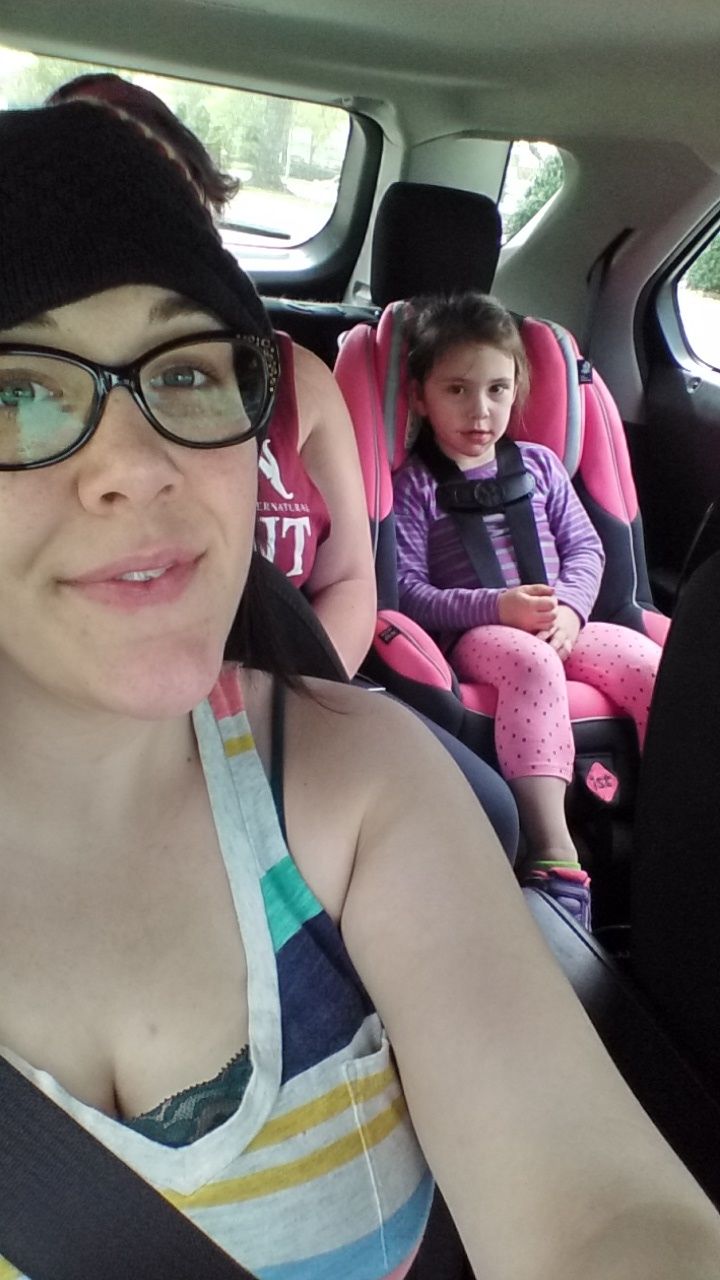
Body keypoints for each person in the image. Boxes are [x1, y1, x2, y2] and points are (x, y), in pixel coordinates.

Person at [0, 95, 718, 1280]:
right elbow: (402, 580)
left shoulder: (358, 781)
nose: (136, 466)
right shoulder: (417, 497)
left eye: (188, 370)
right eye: (17, 389)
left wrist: (574, 610)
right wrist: (497, 620)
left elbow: (599, 1215)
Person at [45, 73, 521, 860]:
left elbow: (352, 580)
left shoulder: (298, 380)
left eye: (164, 203)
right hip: (97, 733)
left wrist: (280, 711)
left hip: (294, 690)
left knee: (489, 815)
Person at [393, 293, 662, 926]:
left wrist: (570, 610)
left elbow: (586, 549)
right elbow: (405, 588)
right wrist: (497, 606)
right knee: (533, 666)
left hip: (563, 622)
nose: (480, 410)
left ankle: (680, 813)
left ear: (517, 389)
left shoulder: (540, 466)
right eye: (456, 390)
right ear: (419, 397)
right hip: (480, 635)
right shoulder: (417, 484)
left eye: (497, 389)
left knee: (646, 662)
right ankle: (554, 854)